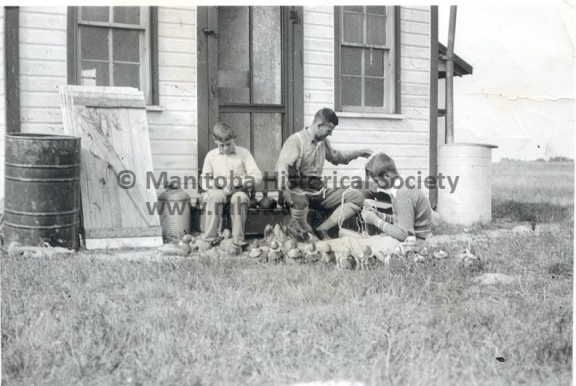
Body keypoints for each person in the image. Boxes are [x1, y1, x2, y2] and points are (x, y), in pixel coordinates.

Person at [275, 108, 372, 240]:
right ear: (319, 125)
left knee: (357, 197)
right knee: (298, 199)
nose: (330, 134)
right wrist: (283, 187)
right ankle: (308, 232)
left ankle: (322, 229)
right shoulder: (296, 141)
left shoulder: (323, 142)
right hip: (298, 190)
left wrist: (358, 153)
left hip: (318, 191)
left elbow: (337, 157)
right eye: (329, 131)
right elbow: (282, 165)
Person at [317, 152, 433, 256]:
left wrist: (376, 221)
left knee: (352, 241)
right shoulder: (403, 186)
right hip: (410, 240)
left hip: (413, 244)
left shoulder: (403, 194)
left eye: (377, 181)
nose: (377, 185)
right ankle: (324, 245)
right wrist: (379, 215)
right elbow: (404, 219)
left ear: (387, 176)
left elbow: (403, 233)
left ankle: (317, 247)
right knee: (343, 233)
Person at [200, 122, 263, 249]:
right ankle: (209, 238)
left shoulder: (243, 153)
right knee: (214, 197)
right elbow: (204, 181)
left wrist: (239, 181)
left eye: (228, 144)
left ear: (234, 139)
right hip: (220, 190)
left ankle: (237, 240)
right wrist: (217, 184)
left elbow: (257, 176)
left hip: (239, 190)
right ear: (215, 141)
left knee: (239, 199)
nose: (226, 148)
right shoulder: (211, 156)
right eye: (221, 145)